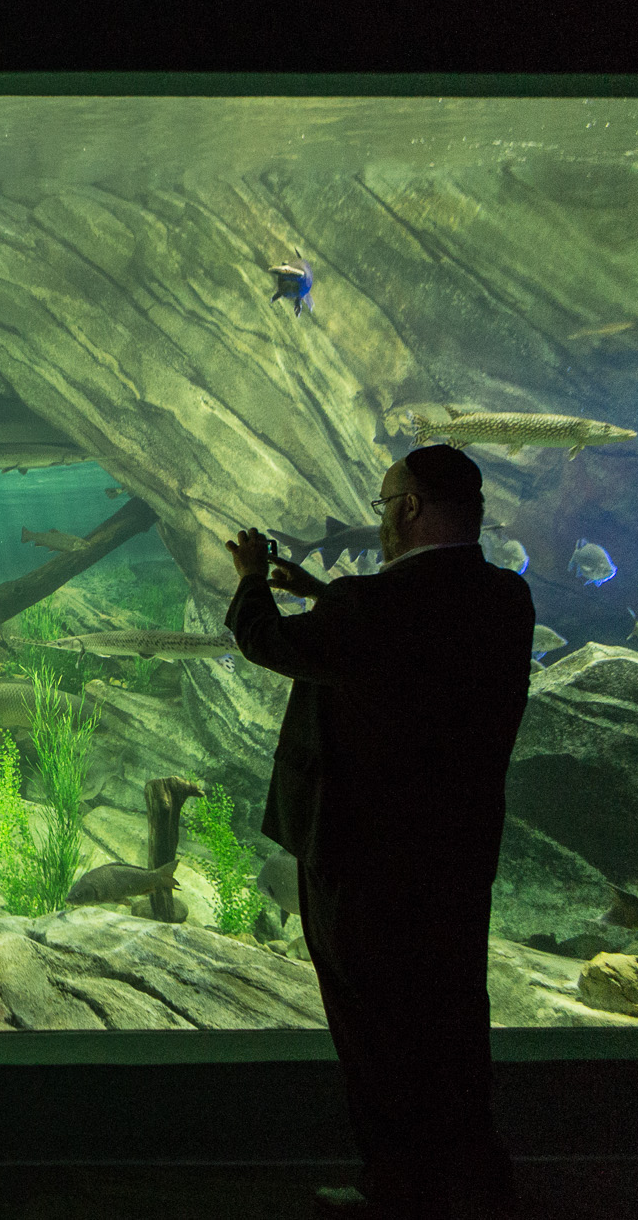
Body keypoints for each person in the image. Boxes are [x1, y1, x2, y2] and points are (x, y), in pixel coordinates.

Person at [224, 446, 534, 1219]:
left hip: (359, 859)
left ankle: (397, 1187)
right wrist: (323, 591)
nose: (380, 513)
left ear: (409, 507)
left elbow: (269, 642)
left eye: (383, 499)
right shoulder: (506, 599)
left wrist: (255, 578)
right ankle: (477, 1173)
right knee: (453, 1018)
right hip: (455, 857)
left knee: (374, 1030)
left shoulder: (365, 610)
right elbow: (410, 642)